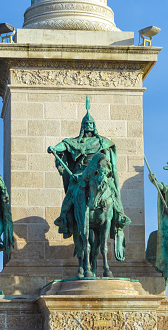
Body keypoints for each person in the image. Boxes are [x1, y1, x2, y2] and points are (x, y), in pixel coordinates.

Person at [47, 97, 130, 245]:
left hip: (99, 173)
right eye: (86, 124)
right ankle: (64, 216)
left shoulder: (102, 142)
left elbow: (112, 165)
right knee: (72, 191)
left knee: (112, 191)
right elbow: (65, 145)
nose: (89, 125)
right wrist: (55, 148)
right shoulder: (77, 142)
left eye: (91, 123)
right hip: (81, 173)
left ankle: (119, 215)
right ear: (82, 126)